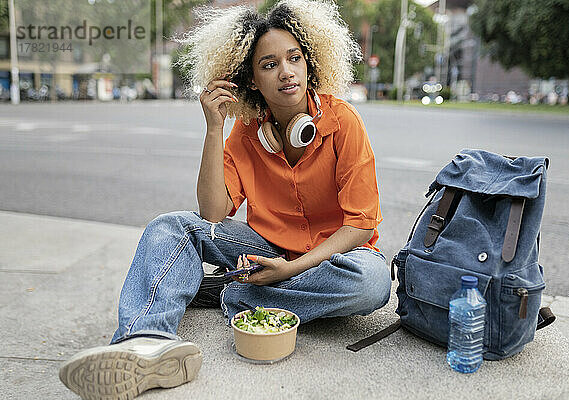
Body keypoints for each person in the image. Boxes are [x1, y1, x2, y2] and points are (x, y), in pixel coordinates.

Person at [59, 0, 391, 398]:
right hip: (266, 247)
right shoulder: (246, 131)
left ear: (309, 63)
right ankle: (144, 343)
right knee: (172, 226)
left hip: (338, 256)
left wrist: (290, 270)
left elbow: (360, 225)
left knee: (372, 283)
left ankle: (235, 293)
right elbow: (213, 214)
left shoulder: (344, 122)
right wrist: (215, 127)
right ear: (251, 81)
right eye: (269, 64)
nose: (286, 72)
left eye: (294, 58)